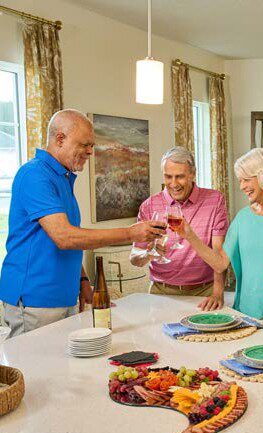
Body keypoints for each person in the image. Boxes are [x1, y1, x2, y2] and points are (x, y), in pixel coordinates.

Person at [0, 109, 164, 337]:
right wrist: (130, 233)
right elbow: (65, 238)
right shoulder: (34, 175)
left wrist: (83, 280)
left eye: (92, 145)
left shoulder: (62, 177)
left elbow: (71, 236)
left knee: (63, 370)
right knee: (36, 372)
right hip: (35, 297)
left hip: (64, 295)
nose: (90, 152)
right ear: (60, 139)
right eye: (84, 145)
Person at [175, 148, 263, 319]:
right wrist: (190, 235)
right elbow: (220, 264)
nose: (242, 187)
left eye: (246, 180)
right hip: (246, 312)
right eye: (240, 180)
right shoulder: (243, 217)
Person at [130, 147, 228, 310]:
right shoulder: (149, 206)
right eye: (168, 177)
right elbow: (134, 258)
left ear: (193, 173)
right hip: (161, 292)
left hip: (204, 292)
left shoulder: (215, 200)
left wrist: (217, 293)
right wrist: (149, 253)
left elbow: (219, 254)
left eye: (180, 177)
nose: (174, 184)